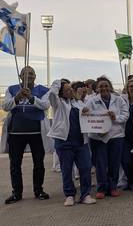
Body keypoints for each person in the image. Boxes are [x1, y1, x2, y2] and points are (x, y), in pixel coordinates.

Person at [2, 66, 51, 204]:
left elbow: (45, 105)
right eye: (25, 74)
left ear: (35, 76)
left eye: (31, 74)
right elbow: (5, 106)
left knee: (39, 163)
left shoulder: (42, 90)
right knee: (15, 164)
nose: (28, 77)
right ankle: (16, 192)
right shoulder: (11, 89)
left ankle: (38, 190)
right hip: (16, 133)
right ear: (20, 76)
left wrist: (31, 97)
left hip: (36, 133)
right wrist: (17, 97)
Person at [47, 79, 96, 206]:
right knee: (66, 169)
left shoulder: (78, 103)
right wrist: (59, 82)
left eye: (71, 89)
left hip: (81, 141)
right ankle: (69, 194)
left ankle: (85, 194)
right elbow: (52, 94)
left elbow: (87, 115)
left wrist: (85, 112)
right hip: (64, 142)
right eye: (67, 89)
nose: (70, 91)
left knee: (85, 167)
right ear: (61, 92)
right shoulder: (58, 103)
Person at [84, 77, 129, 199]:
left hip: (116, 135)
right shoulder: (91, 101)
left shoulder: (119, 100)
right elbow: (86, 117)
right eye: (101, 86)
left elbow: (126, 114)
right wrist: (98, 130)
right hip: (98, 138)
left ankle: (113, 187)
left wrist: (116, 118)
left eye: (106, 86)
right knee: (100, 164)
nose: (104, 88)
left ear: (110, 87)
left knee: (114, 162)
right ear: (97, 88)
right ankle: (101, 188)